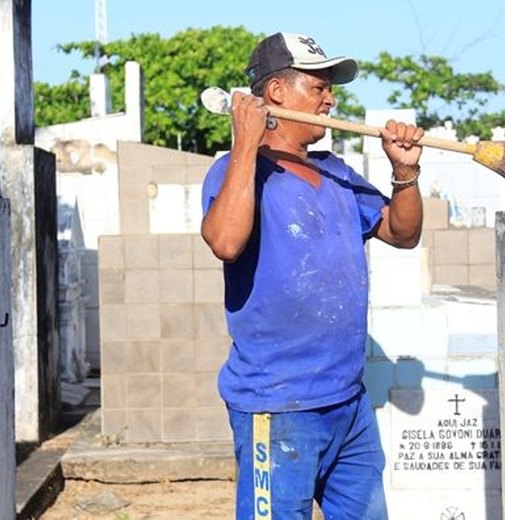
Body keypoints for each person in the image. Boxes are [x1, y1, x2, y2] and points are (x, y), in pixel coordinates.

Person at [201, 32, 424, 519]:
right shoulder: (235, 172)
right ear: (277, 93)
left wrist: (405, 173)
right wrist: (245, 144)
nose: (330, 99)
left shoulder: (338, 173)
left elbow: (402, 233)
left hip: (348, 403)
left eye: (329, 89)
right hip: (277, 406)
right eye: (318, 87)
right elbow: (225, 241)